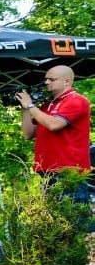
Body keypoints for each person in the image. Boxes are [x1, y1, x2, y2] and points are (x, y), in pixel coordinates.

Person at [17, 65, 91, 200]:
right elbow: (28, 133)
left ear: (67, 81)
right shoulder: (47, 105)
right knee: (55, 218)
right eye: (46, 79)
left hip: (69, 170)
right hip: (47, 170)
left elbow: (54, 125)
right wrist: (25, 109)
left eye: (51, 79)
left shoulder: (76, 100)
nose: (46, 82)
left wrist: (30, 106)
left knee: (76, 218)